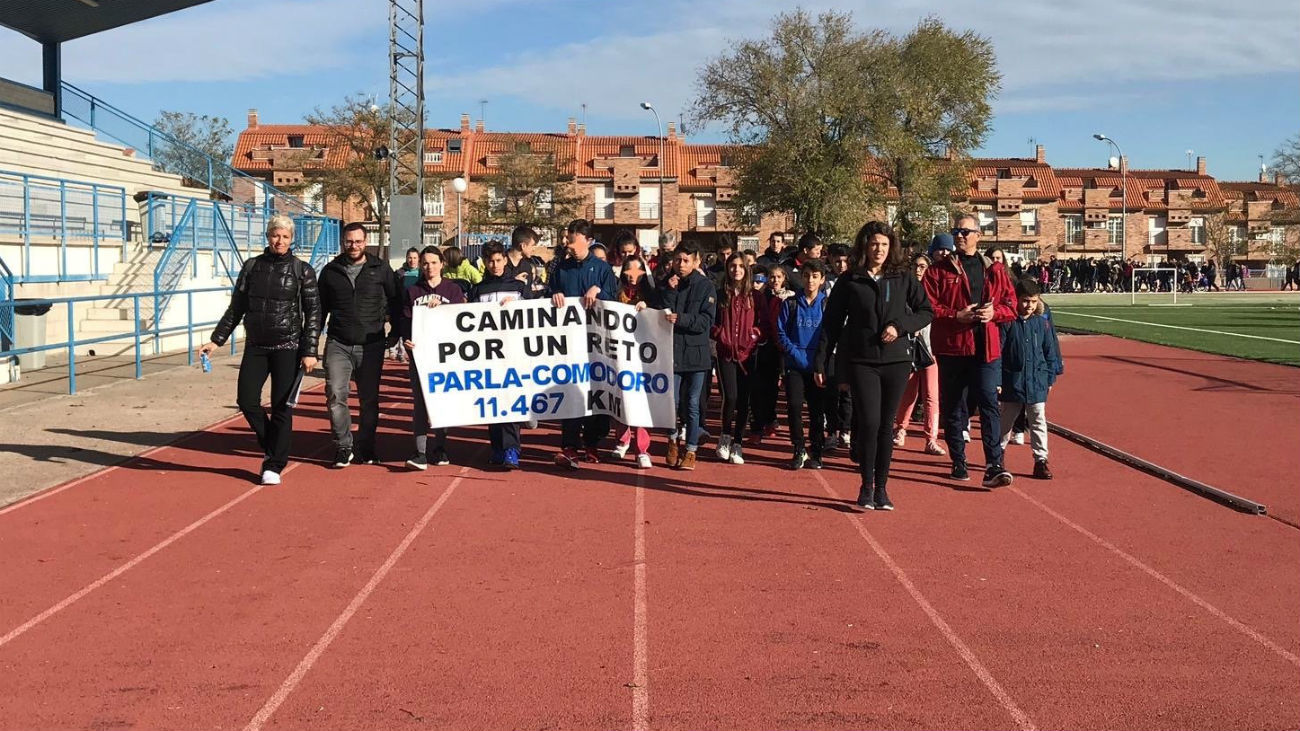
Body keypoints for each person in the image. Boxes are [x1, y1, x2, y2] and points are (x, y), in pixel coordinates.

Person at [819, 221, 933, 510]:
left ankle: (881, 488)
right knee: (868, 422)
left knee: (885, 425)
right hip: (861, 361)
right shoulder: (850, 280)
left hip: (896, 360)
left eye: (883, 244)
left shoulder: (904, 277)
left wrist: (901, 326)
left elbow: (925, 311)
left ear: (890, 246)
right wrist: (821, 360)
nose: (879, 249)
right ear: (865, 246)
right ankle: (866, 485)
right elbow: (831, 323)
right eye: (873, 244)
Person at [199, 215, 321, 486]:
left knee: (281, 407)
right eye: (275, 235)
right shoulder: (252, 267)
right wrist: (216, 340)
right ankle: (272, 444)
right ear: (268, 237)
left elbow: (314, 313)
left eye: (285, 237)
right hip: (256, 345)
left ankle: (274, 464)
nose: (280, 241)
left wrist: (309, 350)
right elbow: (236, 307)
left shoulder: (303, 270)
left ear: (292, 239)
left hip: (288, 346)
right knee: (247, 400)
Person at [924, 213, 1017, 488]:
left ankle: (994, 464)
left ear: (979, 235)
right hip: (953, 350)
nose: (960, 236)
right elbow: (927, 307)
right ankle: (959, 461)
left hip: (985, 349)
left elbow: (1011, 305)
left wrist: (994, 312)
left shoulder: (995, 270)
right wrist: (956, 315)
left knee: (989, 404)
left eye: (966, 231)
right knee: (954, 406)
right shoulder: (938, 270)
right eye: (956, 231)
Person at [317, 221, 401, 467]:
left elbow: (396, 303)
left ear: (366, 242)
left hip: (371, 344)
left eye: (358, 241)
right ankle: (344, 446)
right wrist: (310, 345)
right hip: (338, 343)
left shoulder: (381, 269)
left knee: (369, 399)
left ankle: (366, 447)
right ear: (343, 242)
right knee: (335, 395)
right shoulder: (331, 271)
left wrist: (395, 332)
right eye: (349, 241)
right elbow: (319, 310)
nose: (353, 246)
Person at [550, 219, 619, 469]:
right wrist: (554, 296)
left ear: (588, 241)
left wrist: (599, 291)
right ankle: (569, 446)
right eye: (568, 236)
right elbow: (548, 298)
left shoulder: (602, 269)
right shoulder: (560, 269)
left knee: (596, 394)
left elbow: (614, 302)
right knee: (570, 392)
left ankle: (592, 443)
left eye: (574, 237)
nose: (569, 241)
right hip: (568, 345)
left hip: (596, 346)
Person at [400, 246, 467, 469]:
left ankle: (440, 448)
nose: (429, 267)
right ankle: (419, 452)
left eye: (434, 262)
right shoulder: (412, 291)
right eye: (425, 263)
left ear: (442, 264)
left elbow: (462, 323)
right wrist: (407, 340)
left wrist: (443, 310)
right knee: (420, 405)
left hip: (446, 357)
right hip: (420, 357)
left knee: (441, 402)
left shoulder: (453, 290)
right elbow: (406, 322)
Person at [471, 241, 533, 469]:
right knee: (493, 402)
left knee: (510, 401)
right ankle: (497, 447)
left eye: (498, 260)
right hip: (487, 356)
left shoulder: (519, 287)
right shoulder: (477, 290)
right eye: (490, 261)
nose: (495, 265)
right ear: (484, 263)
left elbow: (535, 316)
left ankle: (511, 449)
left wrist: (518, 305)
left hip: (514, 354)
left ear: (505, 260)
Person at [997, 279, 1063, 480]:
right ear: (1017, 299)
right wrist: (998, 380)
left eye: (1033, 302)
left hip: (1037, 382)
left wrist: (1050, 377)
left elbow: (1050, 352)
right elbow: (998, 353)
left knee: (1038, 421)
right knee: (1005, 422)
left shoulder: (1041, 323)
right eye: (1025, 301)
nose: (1029, 306)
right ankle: (997, 456)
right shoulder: (1007, 323)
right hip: (1012, 381)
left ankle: (1041, 460)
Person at [660, 240, 716, 470]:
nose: (680, 265)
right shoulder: (668, 284)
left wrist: (681, 319)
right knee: (671, 403)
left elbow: (707, 321)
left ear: (696, 261)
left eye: (685, 261)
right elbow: (658, 311)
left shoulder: (706, 286)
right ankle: (672, 441)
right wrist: (669, 291)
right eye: (677, 260)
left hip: (697, 356)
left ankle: (691, 449)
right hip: (671, 353)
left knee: (692, 403)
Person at [777, 258, 829, 470]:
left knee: (817, 411)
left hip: (817, 366)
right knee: (795, 406)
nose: (810, 280)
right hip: (795, 364)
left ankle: (816, 450)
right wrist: (795, 354)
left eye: (815, 276)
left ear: (822, 280)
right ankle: (799, 447)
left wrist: (820, 360)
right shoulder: (789, 303)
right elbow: (781, 333)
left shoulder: (827, 305)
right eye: (806, 276)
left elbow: (830, 335)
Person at [893, 251, 946, 456]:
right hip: (908, 347)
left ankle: (931, 439)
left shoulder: (934, 291)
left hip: (930, 350)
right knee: (909, 391)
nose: (918, 270)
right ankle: (900, 429)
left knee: (932, 395)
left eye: (923, 266)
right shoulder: (904, 289)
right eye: (915, 265)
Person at [711, 252, 761, 465]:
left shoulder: (755, 296)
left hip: (748, 354)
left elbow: (763, 322)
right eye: (733, 266)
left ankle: (738, 443)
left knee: (744, 400)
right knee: (730, 397)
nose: (737, 269)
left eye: (741, 266)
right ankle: (725, 436)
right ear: (727, 268)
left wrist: (754, 335)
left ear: (746, 269)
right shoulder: (720, 293)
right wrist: (719, 334)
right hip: (725, 354)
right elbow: (712, 320)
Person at [610, 256, 658, 469]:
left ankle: (642, 449)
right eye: (628, 271)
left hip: (643, 356)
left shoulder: (652, 294)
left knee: (641, 401)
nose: (632, 276)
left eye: (637, 271)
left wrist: (647, 308)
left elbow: (660, 314)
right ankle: (622, 440)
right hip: (619, 354)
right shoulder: (615, 292)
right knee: (620, 396)